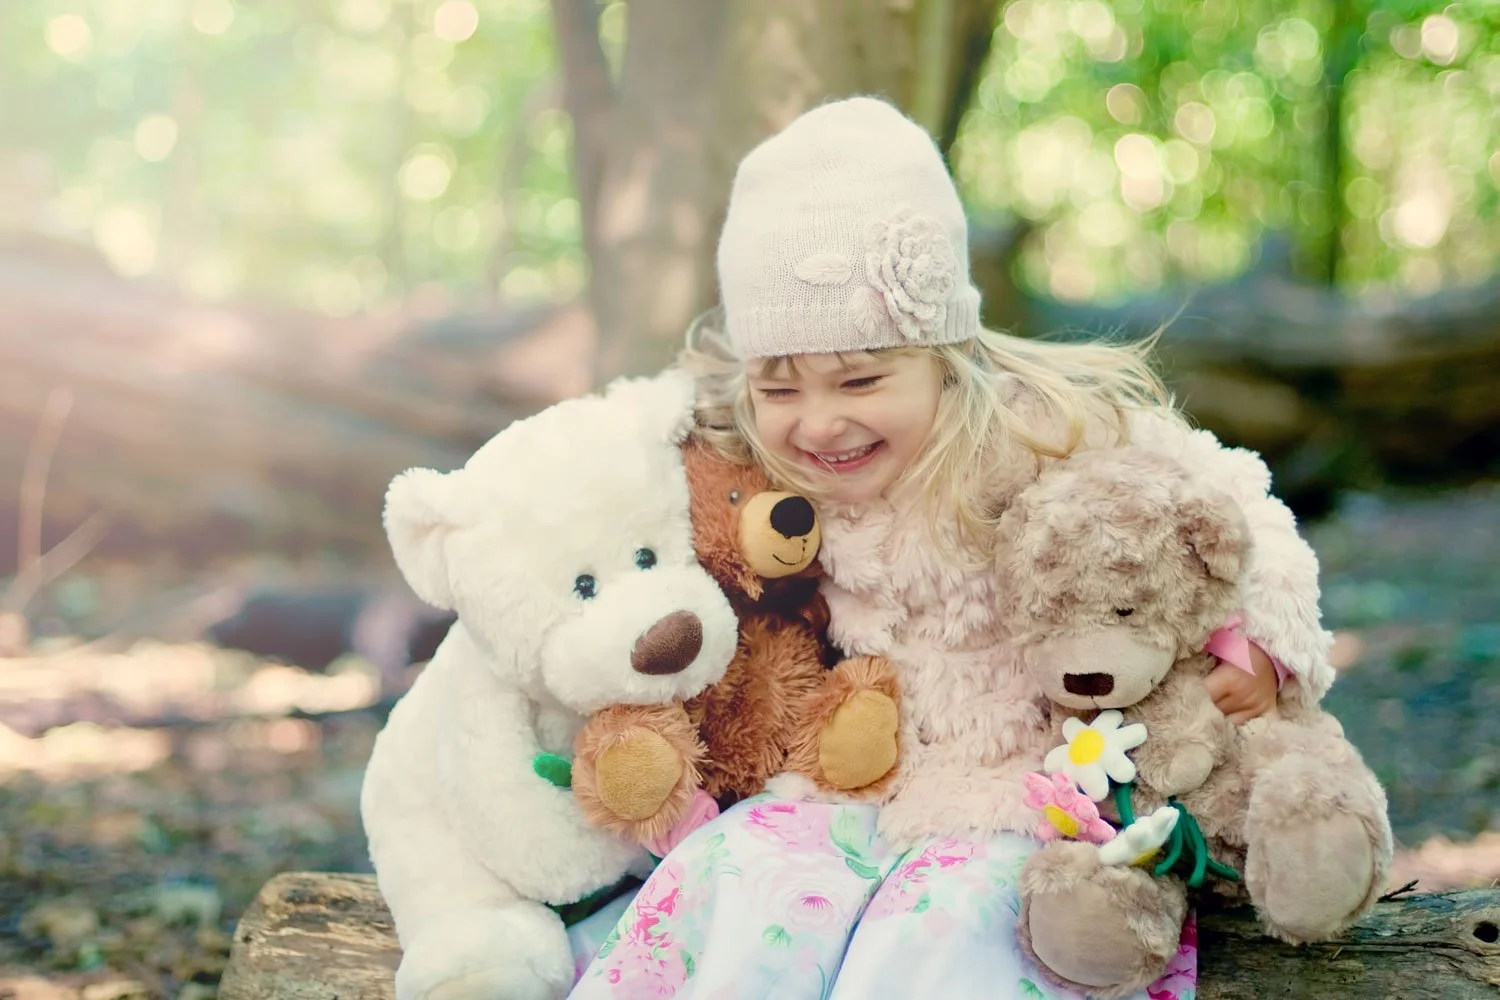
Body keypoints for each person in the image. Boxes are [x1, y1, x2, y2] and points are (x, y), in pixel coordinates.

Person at [567, 96, 1331, 1000]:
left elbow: (1235, 496)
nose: (820, 422)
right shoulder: (760, 473)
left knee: (943, 934)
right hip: (857, 783)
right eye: (780, 387)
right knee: (741, 870)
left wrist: (1261, 648)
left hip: (1033, 786)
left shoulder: (1046, 432)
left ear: (943, 354)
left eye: (860, 378)